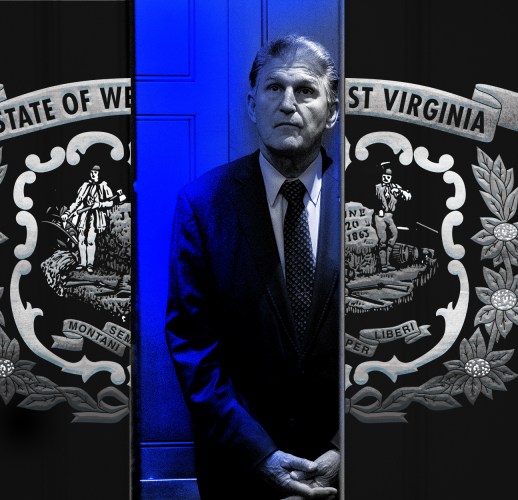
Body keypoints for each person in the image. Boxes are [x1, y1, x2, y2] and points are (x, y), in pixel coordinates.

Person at [166, 35, 342, 499]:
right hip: (238, 470)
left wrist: (347, 446)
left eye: (305, 90)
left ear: (333, 108)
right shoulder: (202, 205)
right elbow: (192, 343)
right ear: (251, 104)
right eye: (273, 88)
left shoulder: (376, 205)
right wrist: (258, 454)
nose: (288, 103)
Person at [62, 164, 114, 274]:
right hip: (84, 215)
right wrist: (67, 213)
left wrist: (99, 204)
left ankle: (90, 264)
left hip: (95, 217)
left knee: (90, 240)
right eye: (91, 172)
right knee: (81, 239)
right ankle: (82, 263)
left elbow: (111, 202)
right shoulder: (85, 186)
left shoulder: (104, 186)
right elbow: (77, 202)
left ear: (99, 174)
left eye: (95, 172)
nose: (92, 174)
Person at [371, 162, 411, 271]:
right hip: (380, 215)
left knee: (394, 235)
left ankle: (387, 262)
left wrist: (399, 191)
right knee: (383, 239)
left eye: (388, 177)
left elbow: (408, 196)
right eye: (384, 176)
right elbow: (373, 198)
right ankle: (383, 265)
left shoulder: (395, 187)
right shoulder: (377, 187)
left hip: (390, 216)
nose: (386, 179)